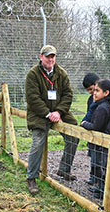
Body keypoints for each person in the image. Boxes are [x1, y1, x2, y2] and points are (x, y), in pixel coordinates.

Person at [25, 45, 79, 195]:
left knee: (75, 133)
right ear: (41, 57)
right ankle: (31, 178)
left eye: (53, 56)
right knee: (38, 143)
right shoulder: (33, 74)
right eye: (47, 56)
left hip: (59, 111)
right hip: (39, 113)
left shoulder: (61, 73)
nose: (50, 59)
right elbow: (33, 98)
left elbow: (68, 94)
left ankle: (64, 169)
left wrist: (59, 111)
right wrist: (48, 114)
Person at [80, 79, 110, 199]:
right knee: (101, 166)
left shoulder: (102, 107)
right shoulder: (102, 104)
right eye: (94, 90)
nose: (94, 93)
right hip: (101, 142)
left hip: (102, 142)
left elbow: (96, 126)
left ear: (106, 93)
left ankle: (104, 191)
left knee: (102, 166)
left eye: (97, 90)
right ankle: (101, 188)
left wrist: (84, 123)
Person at [81, 73, 100, 185]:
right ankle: (93, 176)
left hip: (99, 129)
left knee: (100, 157)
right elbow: (89, 112)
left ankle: (100, 180)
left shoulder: (105, 98)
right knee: (93, 155)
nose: (90, 92)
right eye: (88, 90)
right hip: (91, 129)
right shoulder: (90, 99)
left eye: (91, 89)